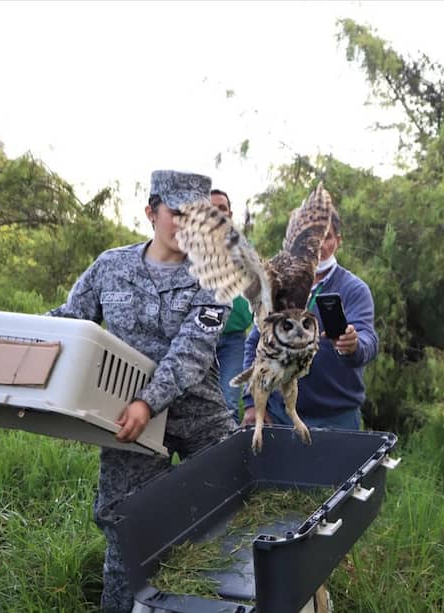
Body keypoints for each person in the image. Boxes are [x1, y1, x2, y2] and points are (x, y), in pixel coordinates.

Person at [49, 170, 236, 612]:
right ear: (151, 212)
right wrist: (12, 340)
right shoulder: (111, 266)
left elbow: (191, 353)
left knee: (230, 522)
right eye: (177, 214)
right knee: (124, 528)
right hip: (127, 423)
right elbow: (69, 321)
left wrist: (148, 401)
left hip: (199, 423)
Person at [241, 208, 378, 430]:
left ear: (338, 241)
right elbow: (254, 344)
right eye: (312, 239)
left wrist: (353, 345)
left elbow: (369, 340)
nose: (319, 246)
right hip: (280, 413)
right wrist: (252, 404)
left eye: (327, 237)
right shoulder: (282, 285)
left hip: (336, 417)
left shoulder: (353, 289)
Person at [209, 188, 254, 420]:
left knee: (228, 401)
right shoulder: (190, 249)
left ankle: (225, 454)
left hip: (234, 339)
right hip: (201, 338)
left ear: (230, 213)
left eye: (222, 208)